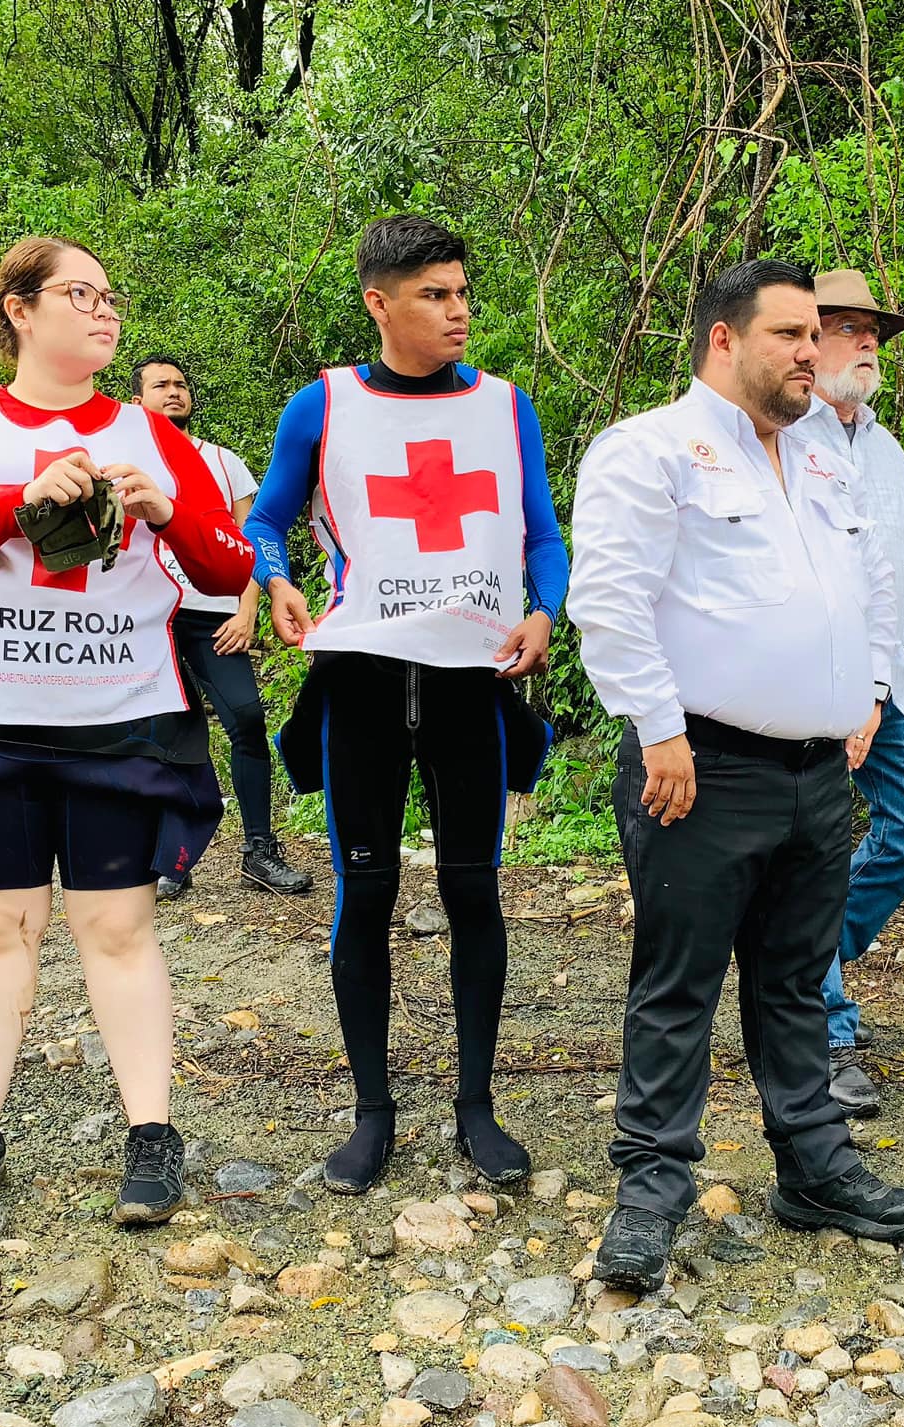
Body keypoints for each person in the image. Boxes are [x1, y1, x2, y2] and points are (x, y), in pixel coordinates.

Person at [569, 258, 904, 1293]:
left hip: (816, 773)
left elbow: (870, 587)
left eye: (814, 338)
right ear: (723, 339)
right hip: (699, 768)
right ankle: (649, 1185)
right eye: (789, 334)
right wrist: (657, 731)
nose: (810, 353)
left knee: (790, 981)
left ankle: (812, 1168)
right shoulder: (650, 450)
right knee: (677, 985)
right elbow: (609, 599)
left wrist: (867, 691)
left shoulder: (823, 464)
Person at [0, 236, 257, 1226]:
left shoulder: (147, 429)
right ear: (18, 309)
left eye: (108, 297)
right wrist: (15, 503)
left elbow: (225, 567)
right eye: (77, 295)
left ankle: (151, 1140)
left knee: (118, 929)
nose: (103, 312)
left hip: (115, 723)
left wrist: (168, 512)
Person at [244, 215, 570, 1195]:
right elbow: (266, 517)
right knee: (366, 895)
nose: (458, 310)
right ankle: (371, 1117)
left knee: (474, 892)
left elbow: (543, 536)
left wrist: (546, 610)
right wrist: (275, 577)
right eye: (434, 294)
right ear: (378, 303)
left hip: (473, 681)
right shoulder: (323, 406)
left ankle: (476, 1109)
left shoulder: (506, 408)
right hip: (365, 682)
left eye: (463, 291)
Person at [799, 269, 904, 1117]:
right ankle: (823, 1026)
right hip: (820, 677)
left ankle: (797, 964)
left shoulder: (884, 450)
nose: (867, 344)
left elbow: (901, 564)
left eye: (874, 332)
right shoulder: (783, 436)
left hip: (894, 678)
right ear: (805, 342)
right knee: (815, 852)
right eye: (848, 328)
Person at [127, 355, 312, 899]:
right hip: (146, 622)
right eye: (160, 385)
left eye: (181, 384)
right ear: (139, 399)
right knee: (161, 737)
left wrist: (248, 608)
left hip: (214, 617)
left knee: (248, 721)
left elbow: (254, 537)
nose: (173, 392)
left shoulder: (223, 461)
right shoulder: (117, 461)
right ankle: (171, 860)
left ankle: (259, 849)